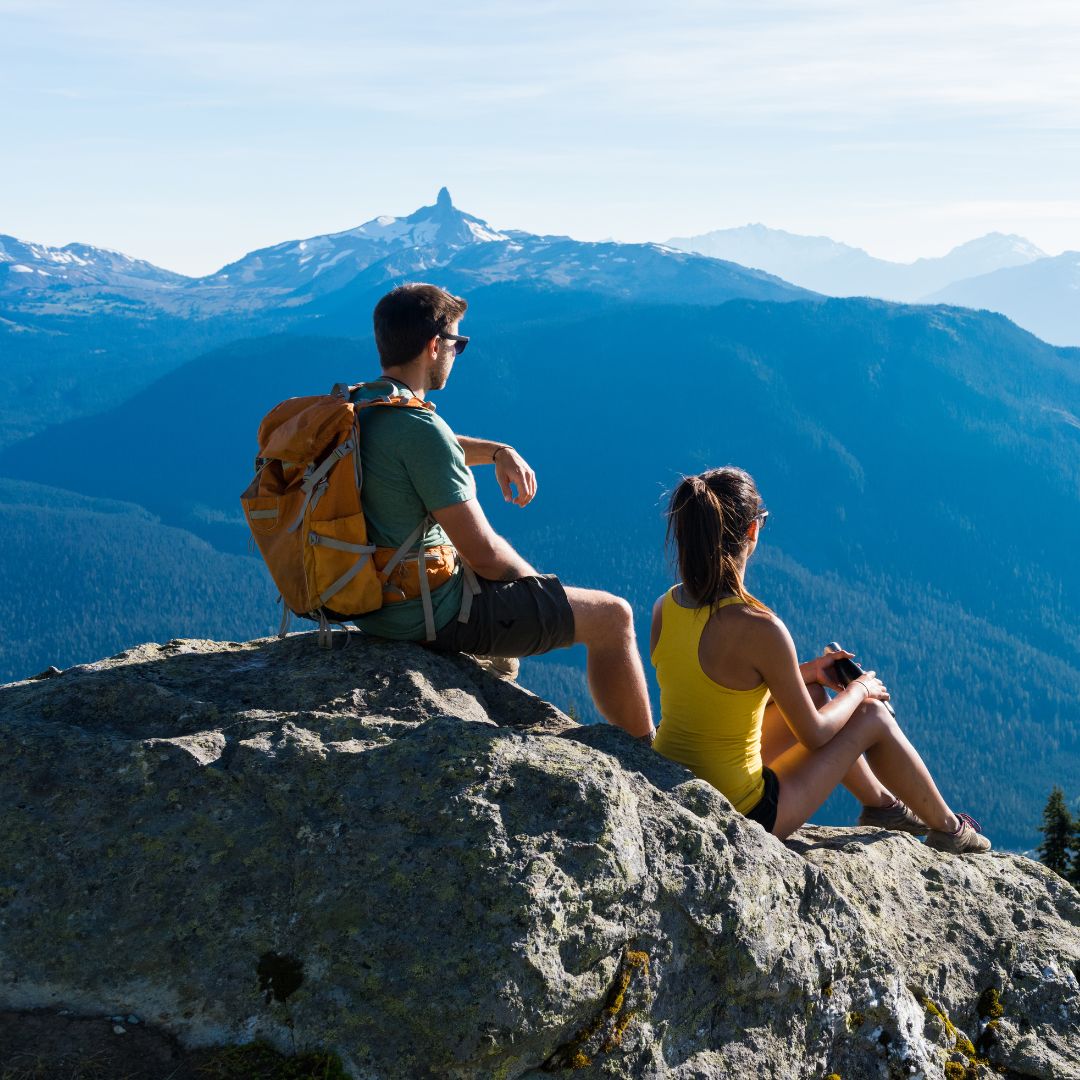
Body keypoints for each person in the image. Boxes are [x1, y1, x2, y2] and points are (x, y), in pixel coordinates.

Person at [350, 282, 654, 741]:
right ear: (434, 346)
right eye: (458, 342)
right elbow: (484, 554)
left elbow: (436, 449)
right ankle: (645, 754)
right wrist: (541, 591)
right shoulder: (418, 427)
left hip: (372, 603)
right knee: (613, 617)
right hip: (424, 614)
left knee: (504, 656)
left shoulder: (364, 405)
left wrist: (496, 451)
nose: (457, 353)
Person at [649, 466, 990, 853]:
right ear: (752, 531)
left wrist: (809, 672)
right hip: (739, 807)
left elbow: (712, 690)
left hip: (674, 773)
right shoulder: (760, 627)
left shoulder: (668, 605)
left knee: (811, 692)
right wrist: (860, 690)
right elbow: (814, 734)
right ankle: (949, 828)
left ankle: (883, 806)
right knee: (873, 717)